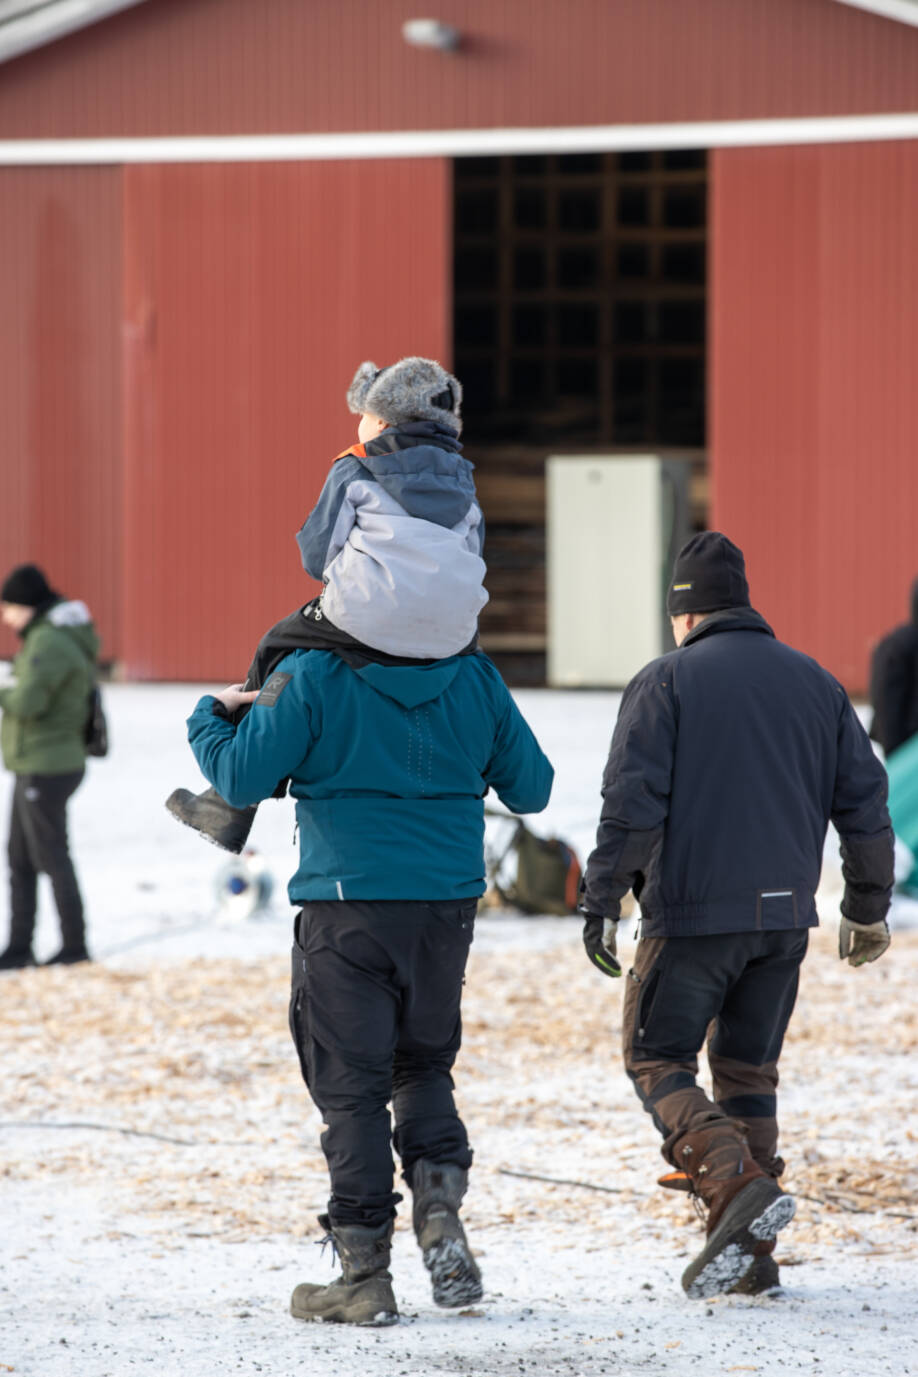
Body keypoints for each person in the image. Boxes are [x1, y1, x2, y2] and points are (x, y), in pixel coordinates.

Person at [185, 640, 553, 1326]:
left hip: (347, 900)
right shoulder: (473, 675)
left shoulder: (312, 672)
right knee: (422, 1065)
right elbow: (532, 787)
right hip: (445, 904)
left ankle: (364, 1272)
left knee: (352, 1089)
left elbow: (238, 777)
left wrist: (210, 714)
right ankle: (438, 1203)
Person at [579, 532, 893, 1299]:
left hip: (692, 918)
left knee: (657, 1058)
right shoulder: (817, 684)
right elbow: (865, 802)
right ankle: (750, 1254)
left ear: (682, 613)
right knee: (748, 1070)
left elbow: (631, 806)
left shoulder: (666, 682)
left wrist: (601, 898)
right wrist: (866, 904)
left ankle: (729, 1180)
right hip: (785, 922)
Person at [167, 356, 487, 853]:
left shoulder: (357, 465)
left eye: (363, 412)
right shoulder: (464, 482)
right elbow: (472, 553)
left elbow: (317, 556)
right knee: (464, 669)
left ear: (382, 419)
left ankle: (231, 805)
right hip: (455, 633)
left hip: (366, 616)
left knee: (277, 643)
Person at [0, 564, 99, 969]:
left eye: (8, 606)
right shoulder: (51, 636)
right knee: (20, 856)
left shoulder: (48, 641)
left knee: (51, 855)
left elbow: (29, 702)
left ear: (26, 605)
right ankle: (20, 946)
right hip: (39, 760)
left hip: (48, 763)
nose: (5, 616)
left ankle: (74, 946)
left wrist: (5, 690)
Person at [869, 577, 918, 758]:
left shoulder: (898, 642)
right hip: (905, 749)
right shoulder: (900, 645)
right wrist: (895, 751)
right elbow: (886, 700)